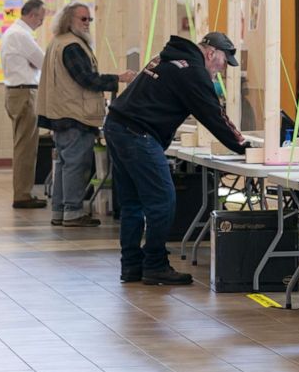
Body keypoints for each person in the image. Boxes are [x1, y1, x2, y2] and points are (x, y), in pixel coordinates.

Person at [105, 33, 249, 286]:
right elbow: (213, 114)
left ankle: (131, 266)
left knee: (132, 204)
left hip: (118, 126)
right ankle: (155, 265)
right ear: (211, 53)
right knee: (163, 200)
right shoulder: (192, 71)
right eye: (223, 61)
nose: (223, 68)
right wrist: (243, 146)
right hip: (138, 134)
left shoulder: (167, 57)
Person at [37, 1, 135, 227]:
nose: (88, 23)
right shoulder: (72, 46)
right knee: (75, 164)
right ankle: (72, 211)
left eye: (89, 19)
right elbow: (86, 79)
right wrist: (118, 79)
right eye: (83, 19)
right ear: (69, 21)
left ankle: (60, 210)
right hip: (75, 113)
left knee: (63, 163)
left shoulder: (58, 42)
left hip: (61, 112)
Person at [1, 0, 47, 209]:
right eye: (40, 17)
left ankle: (23, 192)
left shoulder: (13, 33)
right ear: (31, 15)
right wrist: (35, 65)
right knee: (26, 147)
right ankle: (22, 194)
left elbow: (36, 62)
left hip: (16, 92)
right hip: (25, 93)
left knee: (23, 145)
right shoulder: (21, 35)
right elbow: (44, 62)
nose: (41, 22)